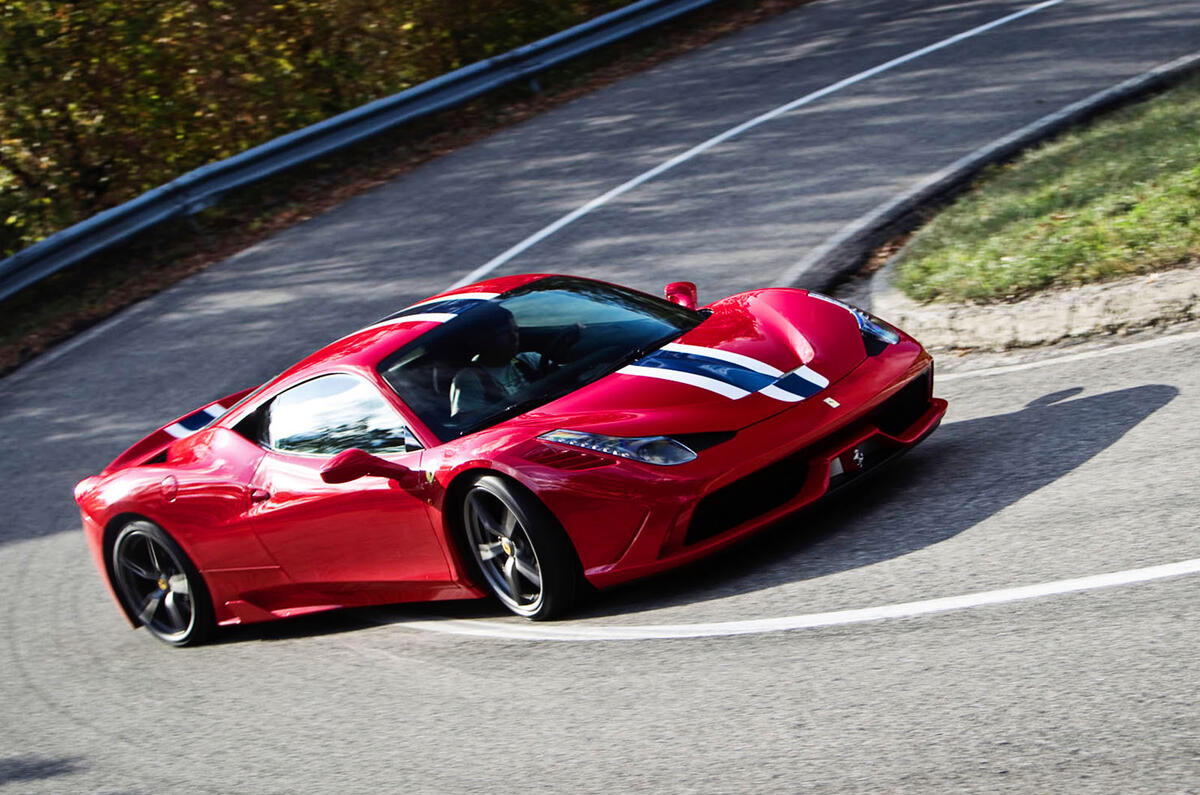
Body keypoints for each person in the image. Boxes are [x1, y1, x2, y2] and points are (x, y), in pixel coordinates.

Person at [449, 304, 542, 418]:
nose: (514, 337)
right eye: (505, 333)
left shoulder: (529, 360)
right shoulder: (470, 378)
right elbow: (468, 420)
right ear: (485, 339)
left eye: (515, 331)